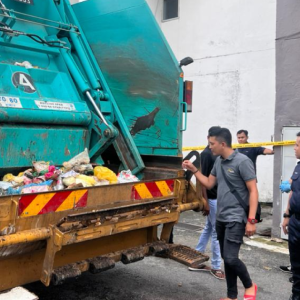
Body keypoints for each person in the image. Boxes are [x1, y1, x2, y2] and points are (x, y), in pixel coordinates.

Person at [183, 127, 258, 300]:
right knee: (226, 257)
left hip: (236, 217)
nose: (210, 147)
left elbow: (253, 191)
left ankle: (249, 285)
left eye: (212, 144)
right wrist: (194, 169)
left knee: (231, 258)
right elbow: (209, 184)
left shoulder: (242, 161)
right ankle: (231, 296)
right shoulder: (219, 162)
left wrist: (251, 220)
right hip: (221, 217)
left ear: (222, 143)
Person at [188, 126, 225, 280]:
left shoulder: (217, 154)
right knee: (217, 231)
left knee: (209, 228)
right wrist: (206, 202)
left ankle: (196, 258)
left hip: (218, 198)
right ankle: (216, 267)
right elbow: (201, 179)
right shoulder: (206, 154)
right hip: (212, 198)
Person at [281, 132, 300, 300]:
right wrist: (286, 215)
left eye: (297, 145)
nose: (294, 148)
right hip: (295, 222)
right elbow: (292, 191)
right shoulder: (298, 167)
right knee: (296, 267)